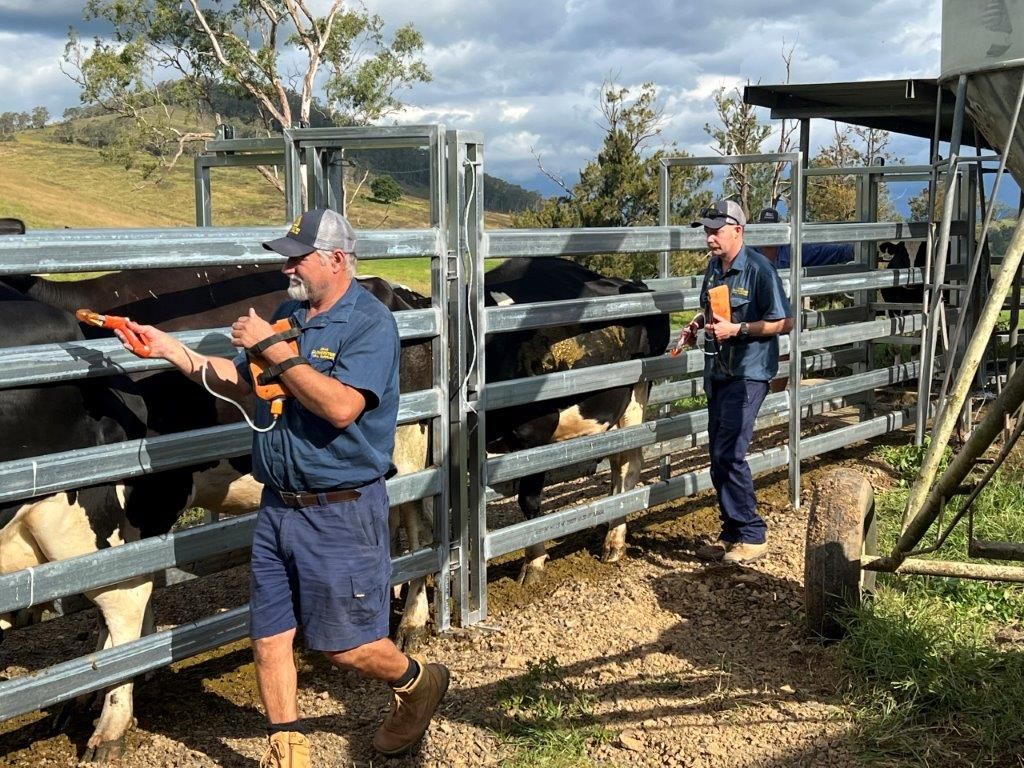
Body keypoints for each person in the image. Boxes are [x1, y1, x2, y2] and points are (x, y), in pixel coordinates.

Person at [114, 209, 449, 767]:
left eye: (298, 255)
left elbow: (341, 407)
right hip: (278, 506)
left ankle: (418, 684)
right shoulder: (288, 314)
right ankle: (288, 751)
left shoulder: (370, 324)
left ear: (336, 260)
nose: (286, 265)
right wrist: (171, 351)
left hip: (340, 507)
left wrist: (273, 348)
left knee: (347, 647)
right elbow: (245, 385)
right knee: (269, 637)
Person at [675, 200, 794, 564]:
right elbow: (712, 309)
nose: (709, 238)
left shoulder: (759, 269)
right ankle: (732, 533)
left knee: (731, 454)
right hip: (719, 370)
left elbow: (784, 322)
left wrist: (738, 328)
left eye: (716, 231)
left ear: (737, 231)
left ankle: (753, 535)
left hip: (749, 373)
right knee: (717, 455)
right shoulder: (715, 268)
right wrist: (697, 325)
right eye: (707, 231)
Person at [753, 207, 855, 269]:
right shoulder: (750, 252)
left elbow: (821, 252)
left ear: (779, 229)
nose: (768, 233)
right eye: (764, 228)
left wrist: (852, 251)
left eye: (772, 228)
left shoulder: (791, 251)